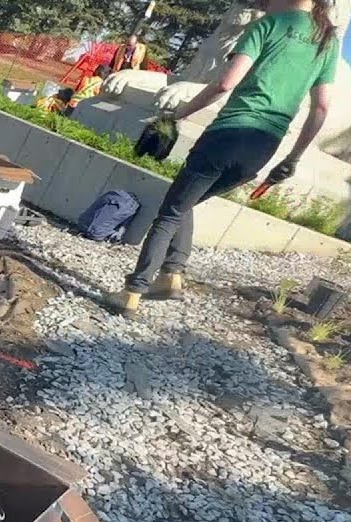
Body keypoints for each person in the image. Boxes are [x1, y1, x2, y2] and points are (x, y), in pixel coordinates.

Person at [108, 0, 338, 319]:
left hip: (227, 135)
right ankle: (171, 275)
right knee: (184, 202)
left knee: (170, 213)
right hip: (263, 148)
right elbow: (321, 108)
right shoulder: (327, 39)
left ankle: (133, 292)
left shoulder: (266, 26)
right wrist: (293, 158)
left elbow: (224, 83)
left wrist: (176, 116)